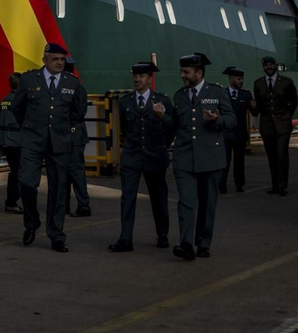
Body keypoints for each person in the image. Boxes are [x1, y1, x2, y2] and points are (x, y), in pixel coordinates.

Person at [9, 42, 86, 252]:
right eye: (55, 59)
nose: (59, 63)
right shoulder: (28, 80)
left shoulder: (73, 83)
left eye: (62, 59)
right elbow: (17, 108)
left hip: (59, 143)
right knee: (26, 183)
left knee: (59, 190)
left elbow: (78, 112)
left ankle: (56, 236)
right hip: (32, 140)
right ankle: (32, 223)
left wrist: (64, 132)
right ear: (45, 60)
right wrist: (29, 127)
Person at [170, 53, 234, 261]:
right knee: (186, 203)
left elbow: (231, 119)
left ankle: (203, 243)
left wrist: (217, 120)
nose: (182, 75)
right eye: (182, 71)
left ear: (199, 72)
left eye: (186, 72)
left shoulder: (216, 92)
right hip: (184, 158)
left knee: (207, 204)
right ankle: (186, 244)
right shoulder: (179, 96)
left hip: (210, 157)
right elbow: (174, 125)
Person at [108, 61, 174, 252]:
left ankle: (162, 235)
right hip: (132, 155)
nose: (137, 80)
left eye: (142, 76)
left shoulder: (163, 101)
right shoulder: (125, 102)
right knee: (127, 198)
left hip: (155, 155)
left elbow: (171, 127)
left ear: (149, 78)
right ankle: (125, 238)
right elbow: (125, 129)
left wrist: (163, 147)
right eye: (135, 76)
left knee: (158, 197)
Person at [253, 57, 298, 195]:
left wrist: (285, 117)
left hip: (282, 124)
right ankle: (275, 185)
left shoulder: (286, 82)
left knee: (282, 155)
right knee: (271, 156)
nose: (269, 67)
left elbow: (294, 102)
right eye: (267, 65)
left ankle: (282, 185)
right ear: (263, 67)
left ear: (276, 66)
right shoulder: (259, 84)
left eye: (271, 65)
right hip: (267, 125)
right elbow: (259, 106)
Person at [64, 58, 92, 216]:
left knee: (74, 170)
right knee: (71, 170)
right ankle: (68, 204)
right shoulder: (78, 86)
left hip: (72, 133)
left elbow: (77, 112)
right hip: (75, 133)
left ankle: (83, 205)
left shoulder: (70, 86)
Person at [219, 66, 254, 194]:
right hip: (226, 133)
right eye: (238, 79)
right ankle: (221, 184)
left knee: (240, 161)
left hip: (240, 133)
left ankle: (240, 184)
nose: (241, 81)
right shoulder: (222, 93)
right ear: (231, 79)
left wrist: (255, 106)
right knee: (224, 161)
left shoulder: (246, 94)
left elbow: (254, 112)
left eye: (242, 79)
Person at [0, 72, 23, 214]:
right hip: (17, 142)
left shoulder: (4, 100)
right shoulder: (20, 101)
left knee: (15, 172)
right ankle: (12, 202)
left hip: (5, 142)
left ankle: (11, 201)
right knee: (20, 173)